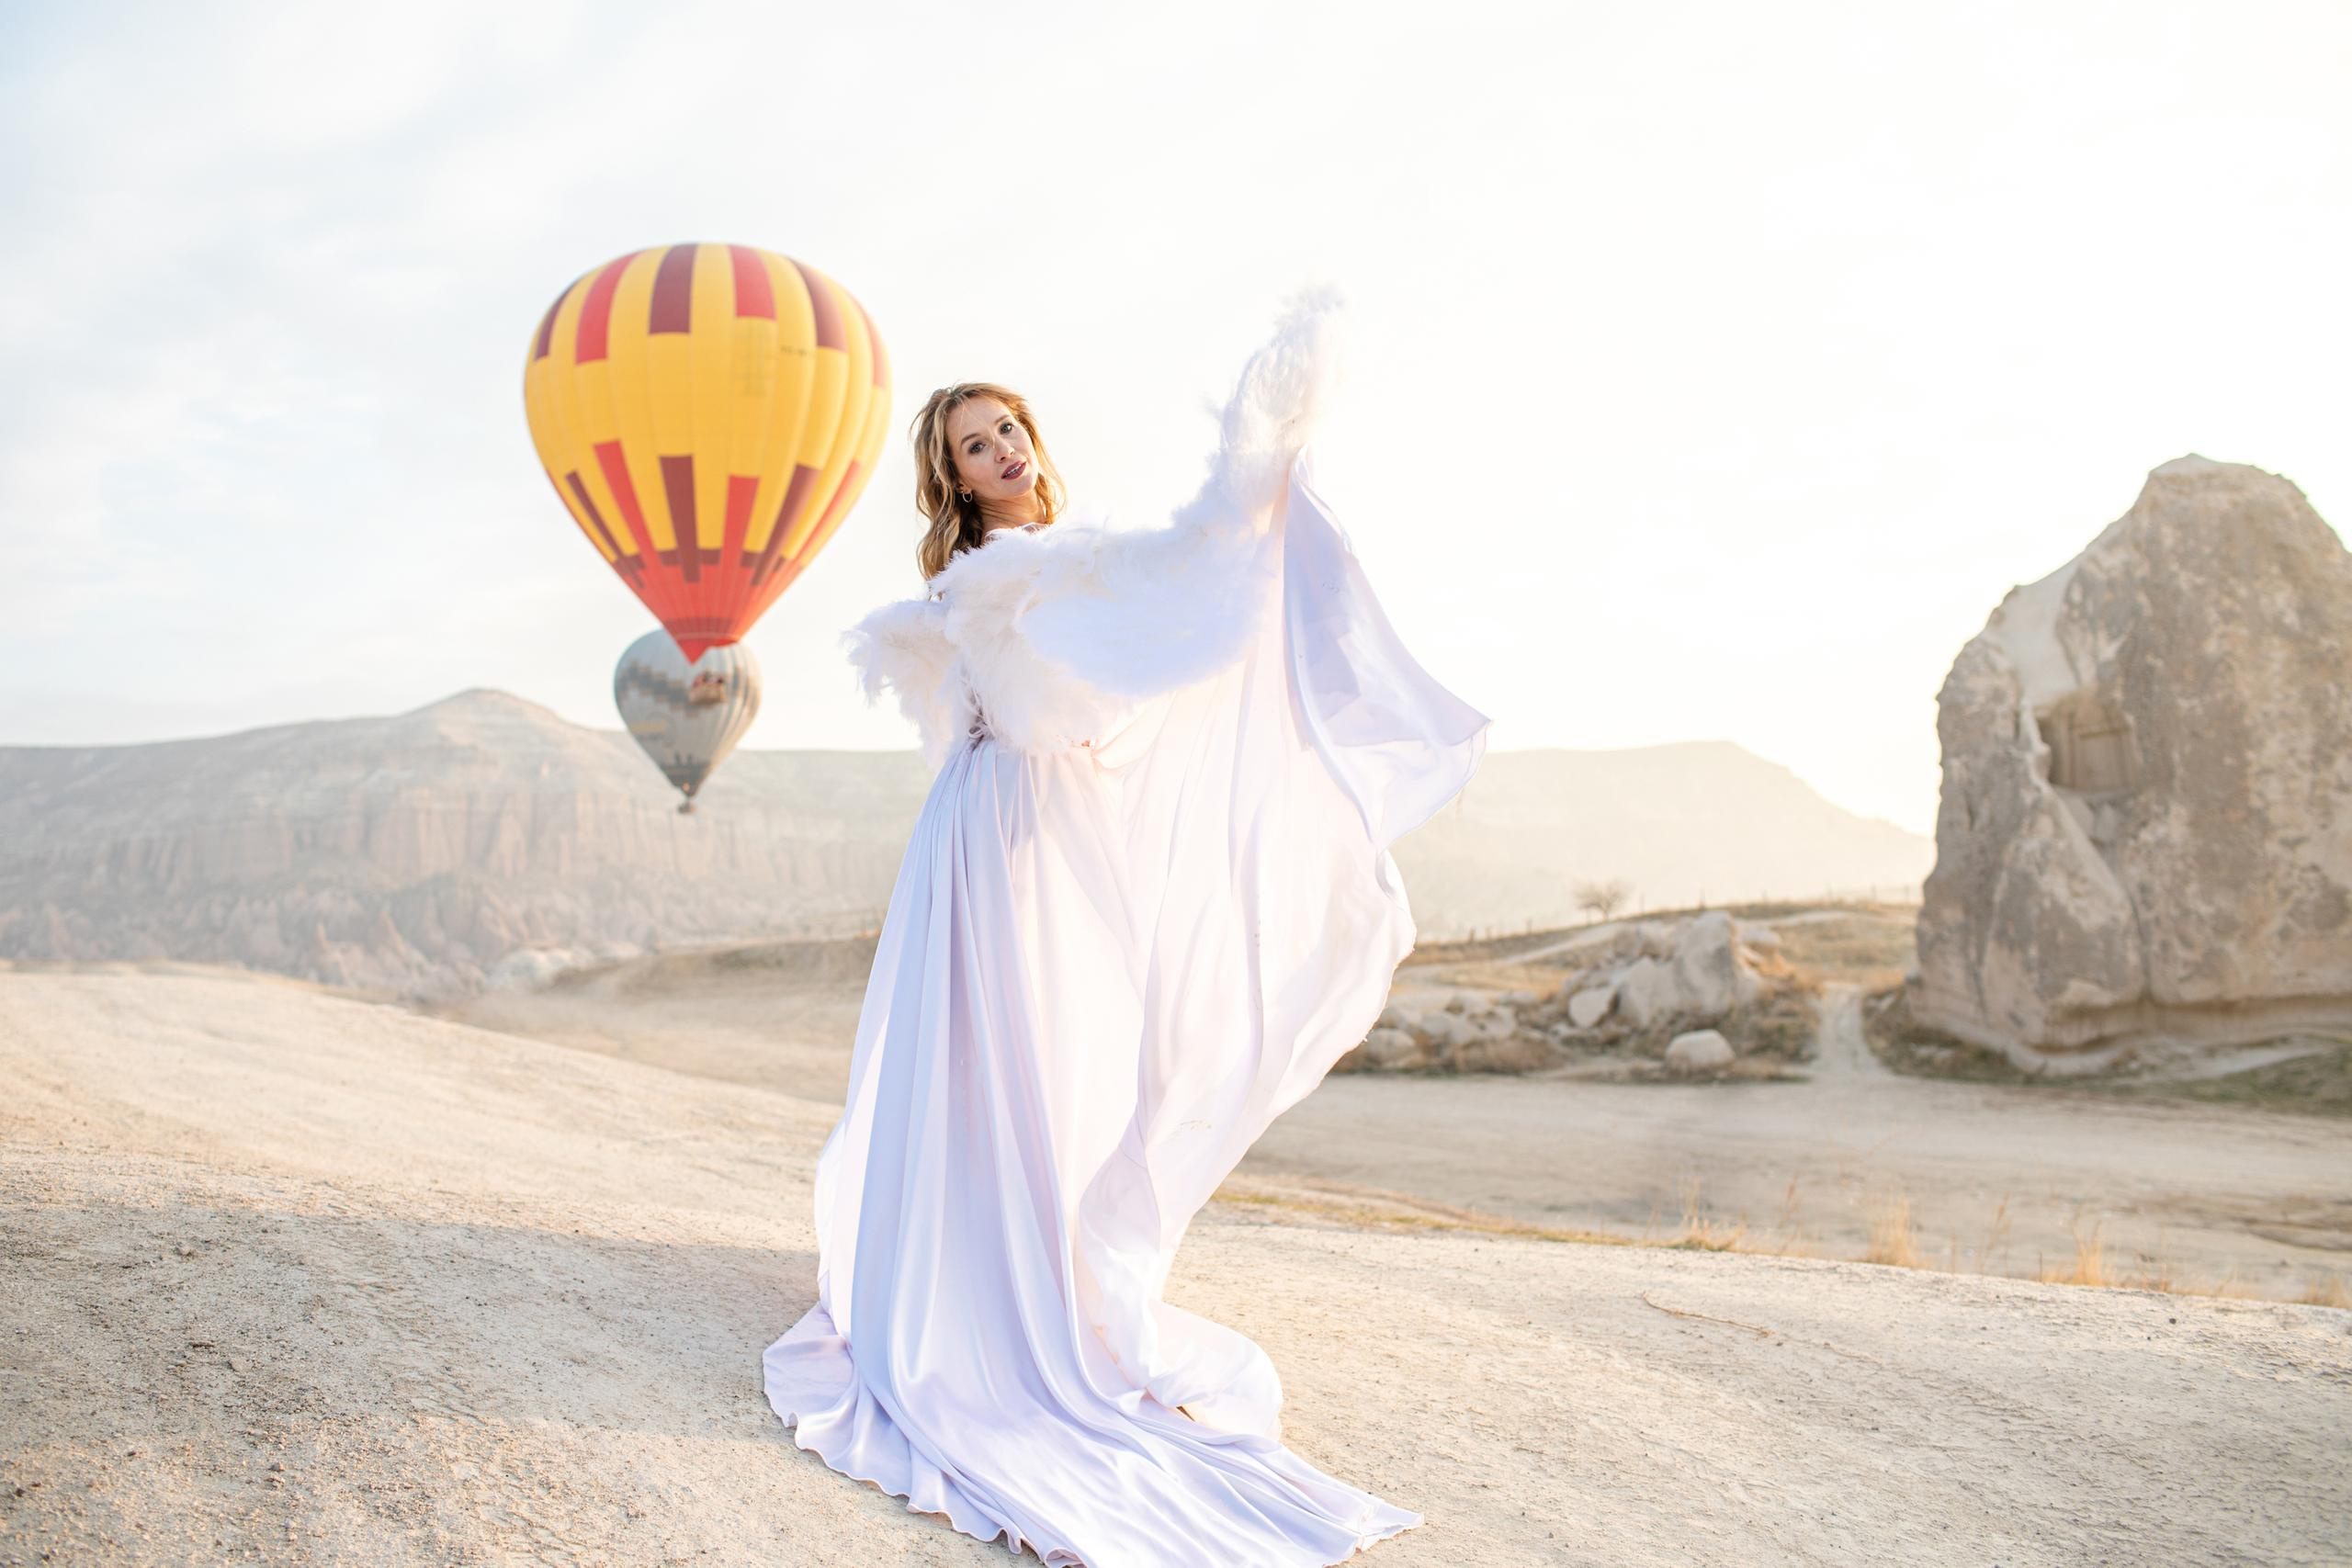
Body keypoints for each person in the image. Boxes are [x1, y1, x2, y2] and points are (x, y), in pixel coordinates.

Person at [763, 286, 1491, 1566]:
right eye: (975, 446)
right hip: (996, 837)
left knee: (1063, 1056)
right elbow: (1087, 675)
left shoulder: (1067, 561)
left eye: (1009, 431)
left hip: (1039, 823)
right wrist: (1224, 525)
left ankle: (1026, 1274)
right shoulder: (1004, 576)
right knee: (1002, 1058)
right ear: (955, 482)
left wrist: (1254, 510)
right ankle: (984, 1296)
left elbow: (1147, 638)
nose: (1003, 452)